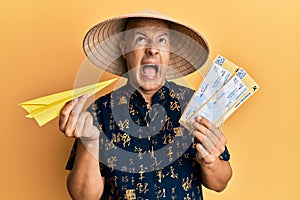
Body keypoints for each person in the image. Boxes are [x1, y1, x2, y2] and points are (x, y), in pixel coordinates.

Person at [60, 10, 232, 199]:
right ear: (125, 49)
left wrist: (211, 162)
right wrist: (90, 142)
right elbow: (84, 197)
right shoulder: (98, 112)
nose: (152, 49)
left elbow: (219, 183)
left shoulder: (195, 103)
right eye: (141, 39)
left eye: (162, 40)